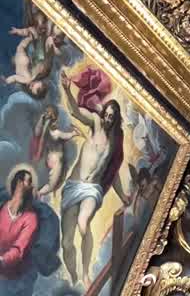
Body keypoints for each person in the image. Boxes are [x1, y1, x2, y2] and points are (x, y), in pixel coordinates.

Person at [57, 72, 128, 285]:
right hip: (73, 185)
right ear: (104, 112)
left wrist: (123, 196)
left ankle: (87, 272)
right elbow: (75, 111)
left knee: (83, 222)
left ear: (116, 119)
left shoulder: (115, 142)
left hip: (92, 189)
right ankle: (74, 276)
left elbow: (113, 172)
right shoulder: (95, 122)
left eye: (113, 115)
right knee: (67, 242)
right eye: (108, 112)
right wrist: (68, 90)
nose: (109, 116)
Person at [0, 169, 37, 280]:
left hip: (11, 278)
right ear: (19, 183)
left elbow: (19, 248)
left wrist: (2, 260)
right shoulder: (1, 208)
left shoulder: (31, 218)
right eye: (29, 182)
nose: (31, 187)